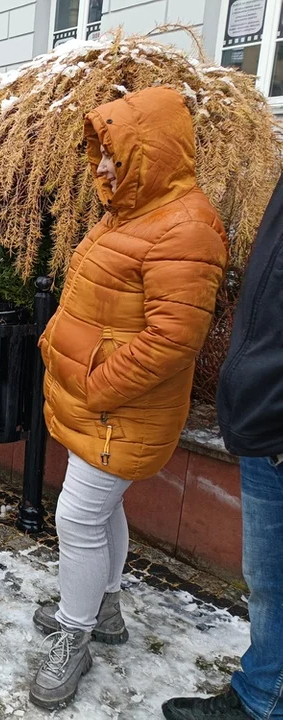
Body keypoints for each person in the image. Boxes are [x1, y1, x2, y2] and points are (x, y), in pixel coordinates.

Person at [31, 87, 227, 710]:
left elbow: (173, 338)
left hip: (121, 407)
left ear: (153, 152)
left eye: (114, 155)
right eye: (100, 155)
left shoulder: (186, 226)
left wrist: (94, 385)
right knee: (98, 510)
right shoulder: (131, 213)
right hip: (103, 404)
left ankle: (76, 631)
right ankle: (104, 604)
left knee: (77, 517)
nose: (102, 168)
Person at [161, 177, 283, 720]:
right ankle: (262, 693)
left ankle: (262, 699)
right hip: (265, 418)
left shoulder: (186, 222)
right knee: (268, 585)